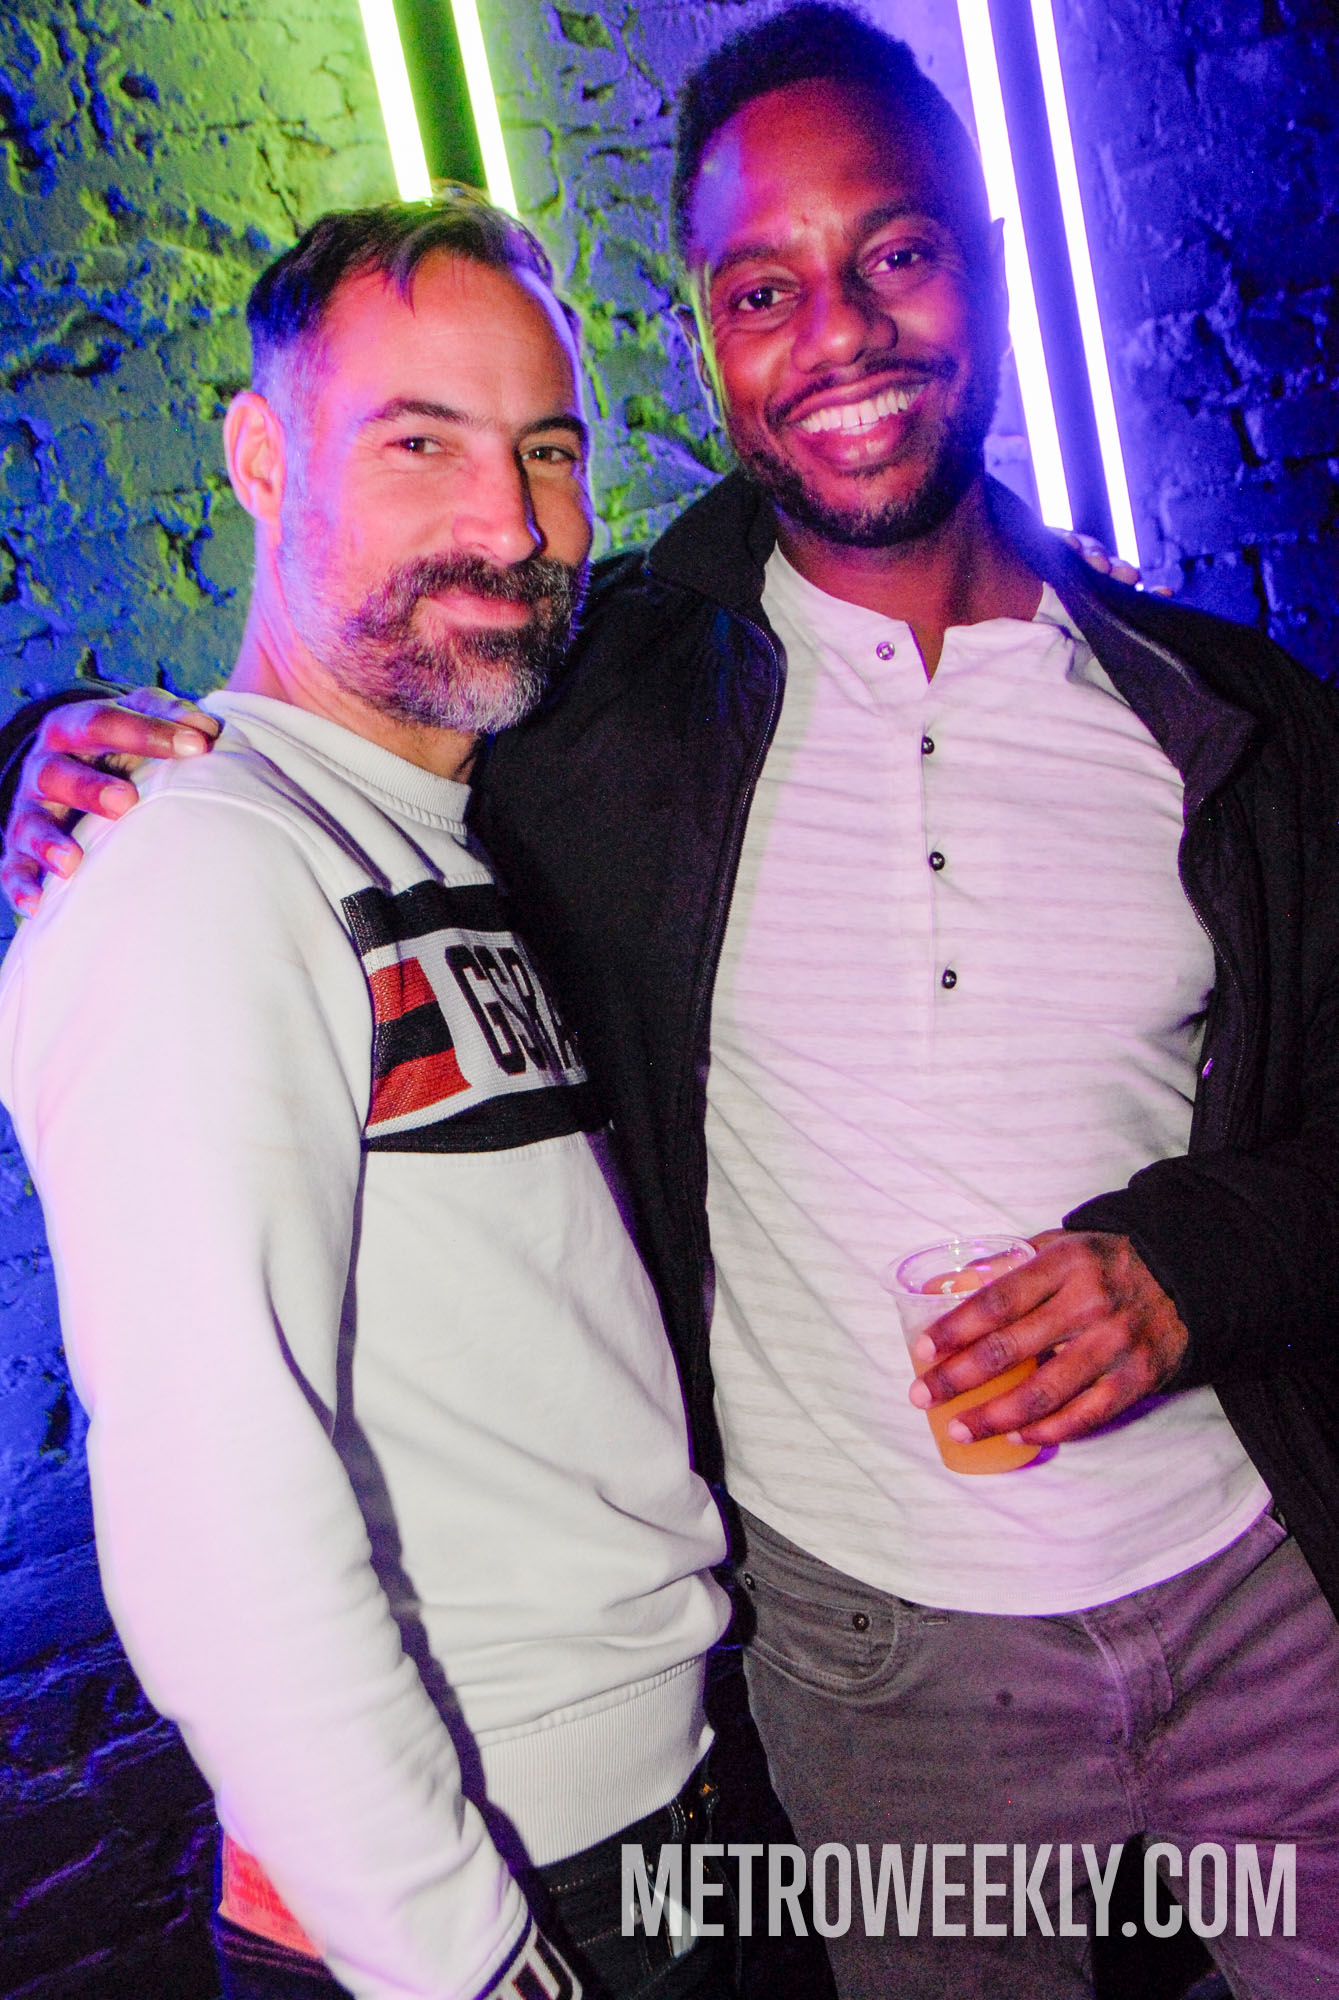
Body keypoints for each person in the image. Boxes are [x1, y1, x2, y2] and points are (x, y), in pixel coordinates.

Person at [8, 8, 1339, 1997]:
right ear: (708, 341)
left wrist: (1200, 1258)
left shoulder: (1225, 717)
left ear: (985, 261)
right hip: (871, 1689)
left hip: (1240, 1609)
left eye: (895, 252)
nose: (840, 331)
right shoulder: (601, 712)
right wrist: (46, 764)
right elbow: (215, 1482)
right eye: (761, 289)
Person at [0, 195, 741, 2000]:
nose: (511, 521)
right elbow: (214, 1505)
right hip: (484, 1896)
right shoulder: (199, 862)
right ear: (263, 461)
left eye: (547, 450)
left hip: (645, 1831)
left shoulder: (424, 835)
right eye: (420, 443)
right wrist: (461, 1959)